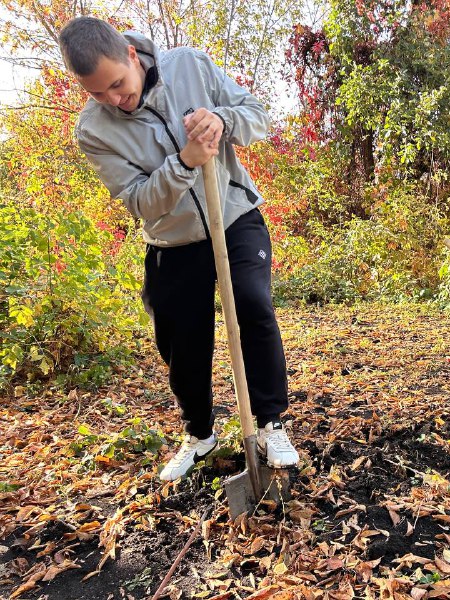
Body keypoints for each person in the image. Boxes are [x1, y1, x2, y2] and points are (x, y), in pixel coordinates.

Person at [58, 17, 299, 481]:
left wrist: (223, 120)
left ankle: (269, 424)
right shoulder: (92, 130)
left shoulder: (188, 64)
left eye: (117, 85)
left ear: (132, 55)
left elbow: (257, 117)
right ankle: (201, 434)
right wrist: (185, 162)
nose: (113, 100)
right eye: (96, 94)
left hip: (233, 217)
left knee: (252, 302)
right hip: (172, 240)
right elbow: (141, 202)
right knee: (180, 338)